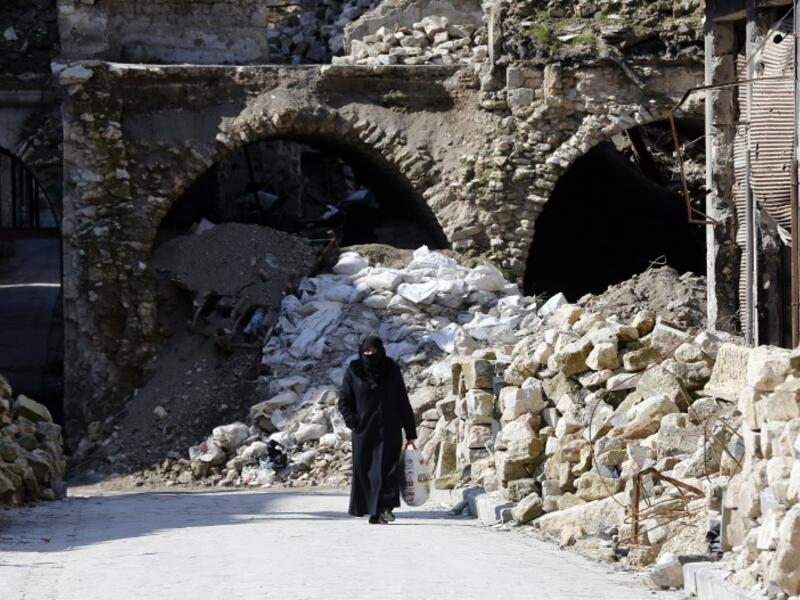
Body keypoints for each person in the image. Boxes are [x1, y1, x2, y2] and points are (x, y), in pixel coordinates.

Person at [338, 336, 417, 524]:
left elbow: (402, 402)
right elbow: (344, 402)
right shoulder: (354, 371)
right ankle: (372, 510)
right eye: (366, 352)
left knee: (388, 471)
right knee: (366, 471)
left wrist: (411, 433)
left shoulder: (392, 370)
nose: (370, 355)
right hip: (364, 431)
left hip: (389, 429)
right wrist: (354, 422)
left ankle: (385, 509)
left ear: (381, 350)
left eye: (373, 351)